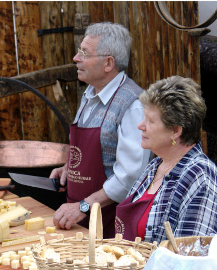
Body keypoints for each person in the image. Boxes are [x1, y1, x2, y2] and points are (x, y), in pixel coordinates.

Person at [51, 22, 151, 238]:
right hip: (77, 220)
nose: (76, 58)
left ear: (108, 63)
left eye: (84, 53)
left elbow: (129, 178)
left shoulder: (132, 105)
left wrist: (83, 207)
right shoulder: (90, 93)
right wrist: (70, 167)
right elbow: (94, 149)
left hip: (110, 224)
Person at [115, 75, 217, 243]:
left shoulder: (201, 177)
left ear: (175, 131)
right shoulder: (156, 165)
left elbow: (191, 257)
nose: (141, 125)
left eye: (150, 121)